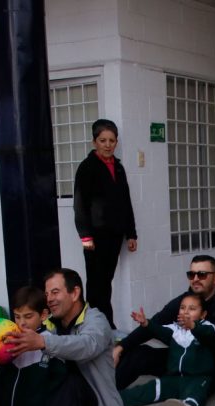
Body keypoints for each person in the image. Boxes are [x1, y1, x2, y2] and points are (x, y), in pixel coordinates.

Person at [4, 268, 127, 406]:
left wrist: (43, 342)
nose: (49, 299)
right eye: (47, 293)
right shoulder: (52, 324)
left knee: (72, 381)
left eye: (55, 292)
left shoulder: (96, 320)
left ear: (75, 293)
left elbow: (87, 345)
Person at [114, 255, 215, 406]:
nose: (196, 279)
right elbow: (155, 325)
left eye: (202, 274)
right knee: (140, 354)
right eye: (191, 275)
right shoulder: (183, 301)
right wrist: (122, 347)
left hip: (211, 365)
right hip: (181, 362)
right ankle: (104, 394)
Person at [74, 118, 138, 329]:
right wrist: (86, 236)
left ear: (116, 142)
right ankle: (96, 326)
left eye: (112, 140)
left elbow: (125, 201)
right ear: (95, 142)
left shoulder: (118, 168)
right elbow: (80, 205)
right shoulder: (87, 168)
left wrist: (131, 234)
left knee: (106, 282)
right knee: (95, 285)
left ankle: (105, 325)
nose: (108, 144)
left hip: (114, 236)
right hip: (95, 238)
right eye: (103, 140)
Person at [120, 293, 215, 406]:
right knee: (147, 390)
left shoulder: (208, 327)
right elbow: (159, 330)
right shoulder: (175, 329)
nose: (186, 311)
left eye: (192, 309)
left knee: (195, 393)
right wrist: (146, 323)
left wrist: (193, 326)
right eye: (183, 308)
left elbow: (207, 335)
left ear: (203, 314)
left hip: (197, 378)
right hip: (173, 379)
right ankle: (113, 401)